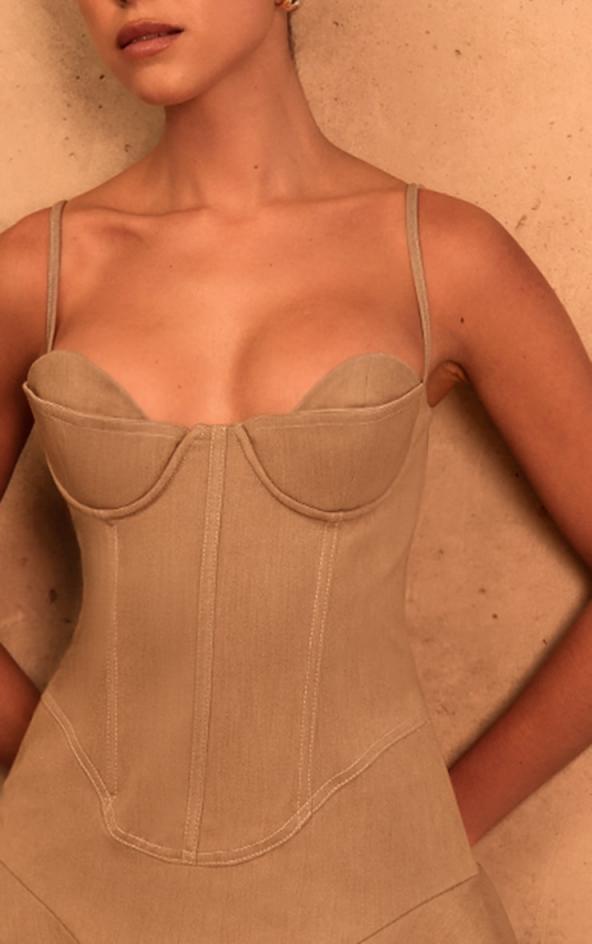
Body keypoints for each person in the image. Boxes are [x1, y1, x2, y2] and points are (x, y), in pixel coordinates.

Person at [1, 1, 591, 941]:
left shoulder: (443, 256)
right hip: (52, 888)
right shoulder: (38, 268)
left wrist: (448, 819)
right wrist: (49, 759)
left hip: (382, 896)